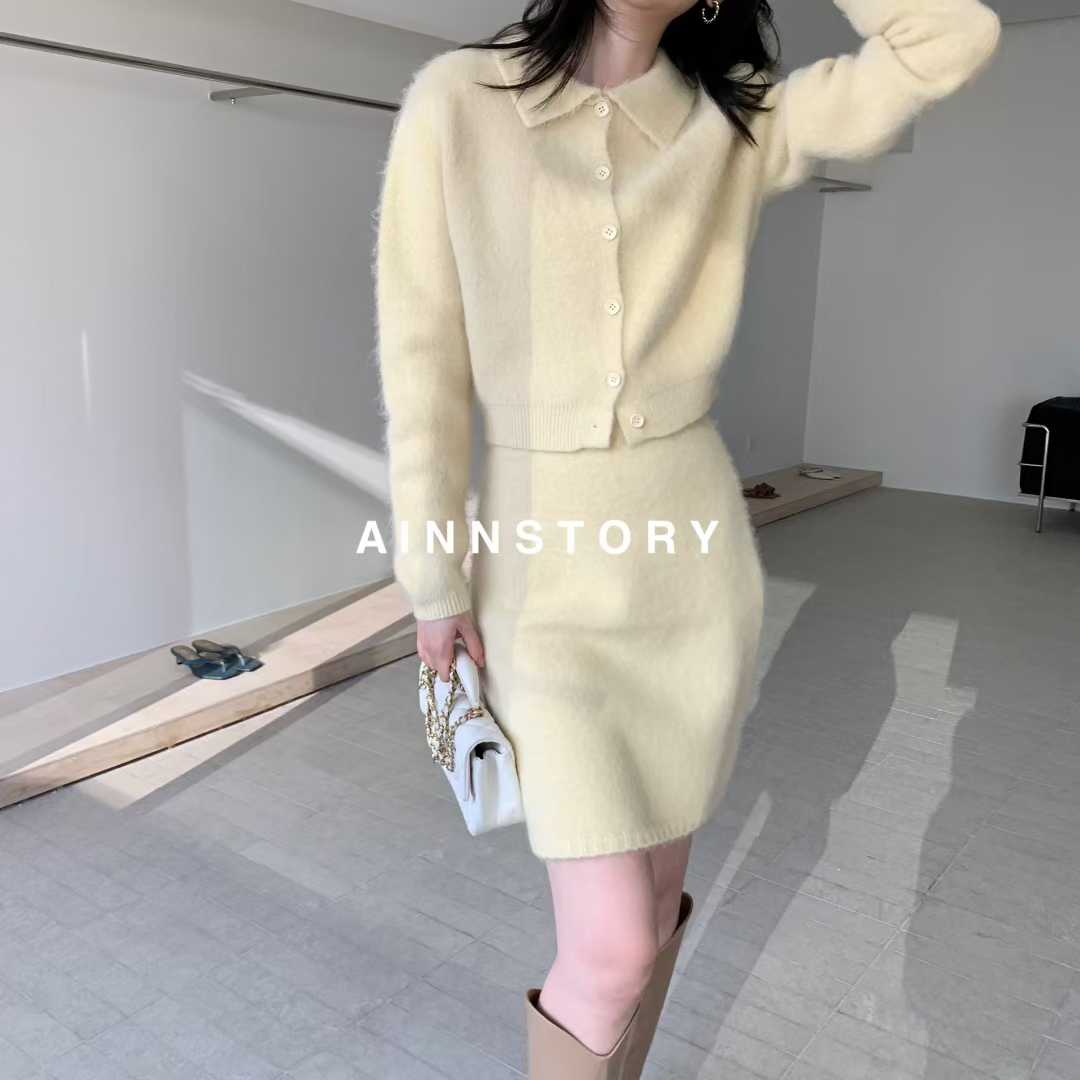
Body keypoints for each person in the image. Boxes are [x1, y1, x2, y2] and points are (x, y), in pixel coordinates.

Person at [372, 0, 1001, 1075]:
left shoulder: (735, 119)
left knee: (656, 909)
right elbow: (420, 360)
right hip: (542, 579)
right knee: (612, 947)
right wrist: (435, 582)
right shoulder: (459, 101)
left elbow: (954, 39)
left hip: (691, 579)